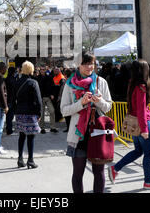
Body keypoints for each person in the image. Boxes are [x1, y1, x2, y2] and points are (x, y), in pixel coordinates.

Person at [108, 60, 150, 190]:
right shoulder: (141, 87)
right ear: (144, 71)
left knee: (138, 151)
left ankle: (115, 168)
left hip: (134, 122)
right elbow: (140, 109)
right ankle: (149, 181)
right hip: (140, 124)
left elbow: (141, 108)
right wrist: (145, 128)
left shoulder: (132, 84)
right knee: (149, 153)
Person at [60, 52, 112, 193]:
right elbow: (64, 110)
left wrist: (99, 101)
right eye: (86, 63)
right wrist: (81, 103)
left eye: (92, 63)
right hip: (79, 135)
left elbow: (108, 107)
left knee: (99, 172)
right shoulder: (70, 84)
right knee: (78, 173)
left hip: (98, 133)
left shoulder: (101, 82)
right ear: (78, 65)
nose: (90, 67)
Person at [13, 61, 42, 169]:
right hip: (30, 113)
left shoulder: (17, 82)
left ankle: (20, 159)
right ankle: (30, 160)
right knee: (31, 136)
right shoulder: (33, 83)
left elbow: (13, 98)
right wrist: (39, 113)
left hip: (20, 112)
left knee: (21, 136)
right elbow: (38, 100)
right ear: (31, 70)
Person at [36, 65, 57, 133]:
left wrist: (53, 94)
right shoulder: (37, 78)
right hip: (40, 97)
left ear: (46, 70)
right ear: (40, 70)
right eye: (41, 69)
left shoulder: (49, 77)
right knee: (41, 114)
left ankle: (52, 127)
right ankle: (42, 128)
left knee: (52, 111)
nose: (42, 71)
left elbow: (53, 86)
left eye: (43, 69)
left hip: (48, 97)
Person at [5, 66, 17, 135]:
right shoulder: (13, 79)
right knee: (10, 116)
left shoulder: (6, 79)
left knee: (8, 116)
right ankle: (9, 131)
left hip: (8, 100)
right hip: (11, 100)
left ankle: (8, 129)